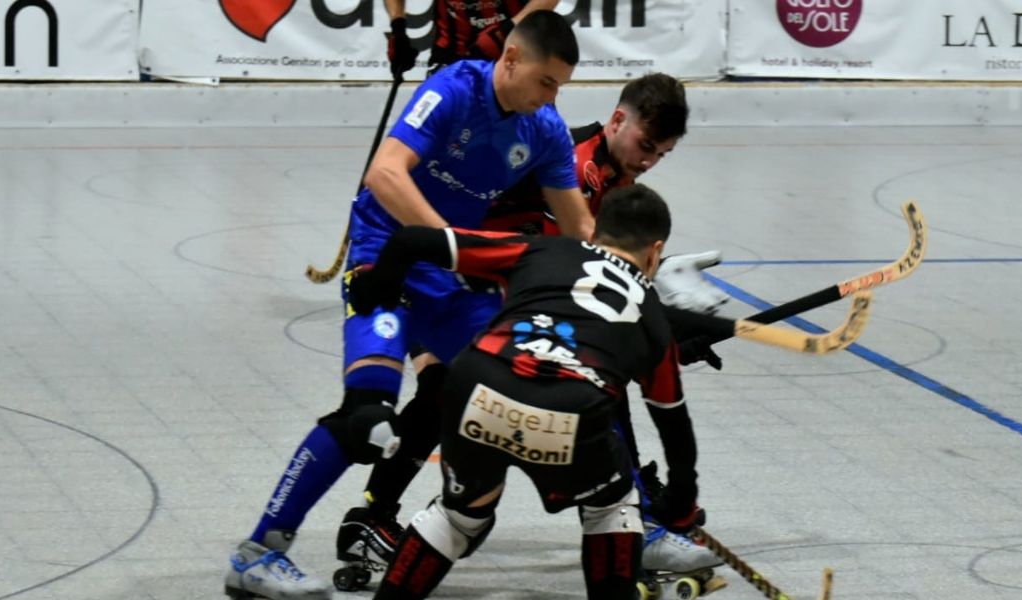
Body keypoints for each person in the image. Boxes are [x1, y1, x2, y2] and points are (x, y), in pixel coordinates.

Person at [224, 11, 591, 600]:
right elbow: (385, 174)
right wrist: (455, 247)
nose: (552, 99)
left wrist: (638, 282)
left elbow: (580, 232)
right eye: (546, 82)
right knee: (366, 421)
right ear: (511, 59)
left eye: (560, 88)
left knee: (538, 385)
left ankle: (632, 524)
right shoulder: (453, 89)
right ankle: (258, 555)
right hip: (386, 258)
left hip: (451, 277)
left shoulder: (543, 129)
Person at [339, 73, 727, 583]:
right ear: (617, 120)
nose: (650, 161)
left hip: (474, 279)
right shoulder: (576, 164)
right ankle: (634, 519)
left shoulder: (617, 182)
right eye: (646, 145)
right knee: (587, 379)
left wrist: (668, 333)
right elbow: (577, 277)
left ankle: (372, 518)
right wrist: (658, 331)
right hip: (450, 272)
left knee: (444, 391)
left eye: (662, 154)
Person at [385, 1, 560, 78]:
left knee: (532, 132)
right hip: (452, 52)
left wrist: (507, 31)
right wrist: (398, 29)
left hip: (515, 50)